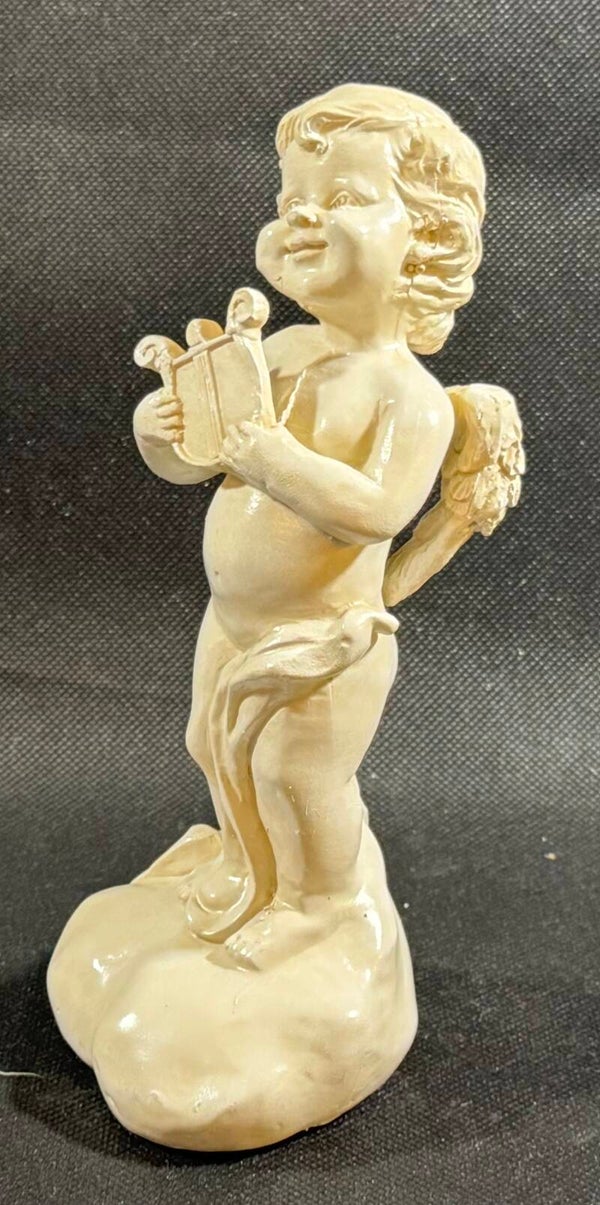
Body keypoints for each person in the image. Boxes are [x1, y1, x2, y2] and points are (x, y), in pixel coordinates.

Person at [132, 84, 503, 970]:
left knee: (298, 774)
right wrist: (163, 434)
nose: (301, 216)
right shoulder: (277, 353)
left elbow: (375, 511)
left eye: (342, 198)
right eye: (290, 198)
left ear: (427, 241)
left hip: (327, 642)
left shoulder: (409, 396)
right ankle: (248, 863)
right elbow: (200, 457)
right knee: (209, 743)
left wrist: (267, 454)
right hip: (233, 623)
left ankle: (323, 905)